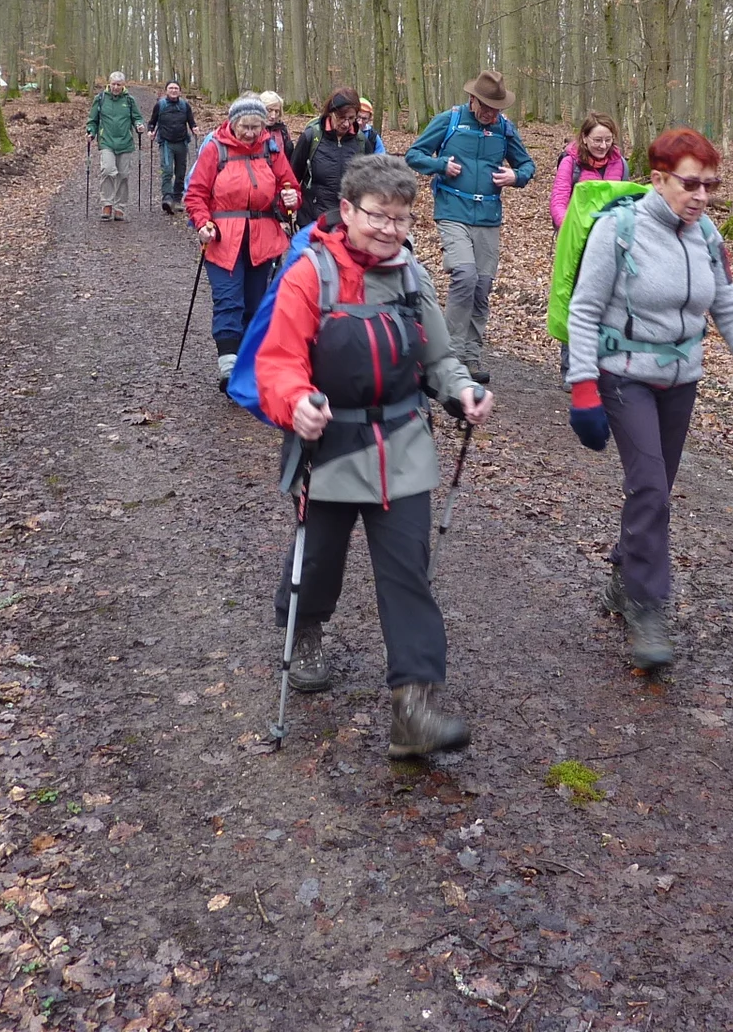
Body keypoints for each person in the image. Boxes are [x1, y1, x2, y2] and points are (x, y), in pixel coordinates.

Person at [255, 155, 494, 757]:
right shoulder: (311, 274)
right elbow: (279, 361)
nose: (390, 229)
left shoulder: (413, 275)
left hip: (404, 442)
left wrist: (460, 389)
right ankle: (302, 625)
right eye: (378, 216)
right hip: (331, 444)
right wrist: (296, 402)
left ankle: (413, 708)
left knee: (407, 573)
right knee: (320, 566)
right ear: (347, 211)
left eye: (402, 218)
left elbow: (437, 356)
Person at [564, 128, 733, 672]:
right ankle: (646, 604)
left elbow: (727, 307)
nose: (703, 196)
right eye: (691, 184)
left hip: (681, 378)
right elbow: (584, 310)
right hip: (622, 375)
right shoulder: (619, 229)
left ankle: (622, 575)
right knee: (651, 488)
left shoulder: (705, 234)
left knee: (653, 490)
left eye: (711, 185)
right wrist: (584, 387)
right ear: (659, 179)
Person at [405, 71, 536, 382]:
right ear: (473, 100)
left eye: (497, 109)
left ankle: (470, 358)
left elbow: (527, 165)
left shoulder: (504, 128)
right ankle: (445, 356)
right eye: (487, 107)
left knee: (482, 286)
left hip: (488, 216)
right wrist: (440, 165)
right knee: (465, 275)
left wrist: (514, 177)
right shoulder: (449, 120)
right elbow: (414, 154)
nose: (492, 114)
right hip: (452, 210)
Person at [186, 94, 301, 385]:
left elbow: (289, 187)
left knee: (256, 302)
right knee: (228, 300)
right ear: (233, 123)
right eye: (245, 126)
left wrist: (291, 198)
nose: (250, 133)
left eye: (256, 127)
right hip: (223, 238)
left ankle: (249, 365)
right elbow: (196, 193)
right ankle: (228, 368)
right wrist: (202, 223)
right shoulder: (215, 147)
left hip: (262, 237)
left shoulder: (271, 148)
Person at [290, 87, 374, 224]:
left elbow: (371, 182)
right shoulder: (311, 138)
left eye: (352, 118)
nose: (346, 124)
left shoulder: (361, 142)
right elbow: (292, 178)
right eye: (341, 118)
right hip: (312, 220)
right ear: (331, 113)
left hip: (348, 221)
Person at [550, 113, 628, 230]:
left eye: (608, 140)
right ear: (584, 138)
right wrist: (569, 228)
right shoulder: (570, 163)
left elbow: (624, 200)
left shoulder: (620, 163)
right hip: (577, 232)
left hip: (610, 233)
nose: (603, 146)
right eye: (597, 140)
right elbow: (559, 200)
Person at [86, 72, 147, 221]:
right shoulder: (100, 99)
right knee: (107, 170)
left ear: (123, 85)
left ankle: (120, 207)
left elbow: (137, 117)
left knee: (123, 175)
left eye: (118, 84)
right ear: (109, 83)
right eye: (113, 84)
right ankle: (107, 204)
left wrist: (139, 125)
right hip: (106, 140)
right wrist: (91, 132)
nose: (115, 87)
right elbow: (92, 120)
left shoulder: (129, 100)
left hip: (125, 142)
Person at [149, 79, 198, 214]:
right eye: (171, 88)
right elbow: (152, 122)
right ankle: (167, 198)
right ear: (166, 90)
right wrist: (150, 130)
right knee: (167, 170)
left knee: (180, 173)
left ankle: (177, 200)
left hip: (182, 142)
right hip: (166, 143)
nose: (173, 90)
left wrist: (194, 128)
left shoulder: (185, 106)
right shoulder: (160, 105)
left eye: (176, 88)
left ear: (180, 91)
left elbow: (191, 121)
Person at [260, 91, 295, 163]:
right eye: (269, 110)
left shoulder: (283, 131)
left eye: (276, 111)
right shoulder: (252, 132)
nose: (273, 116)